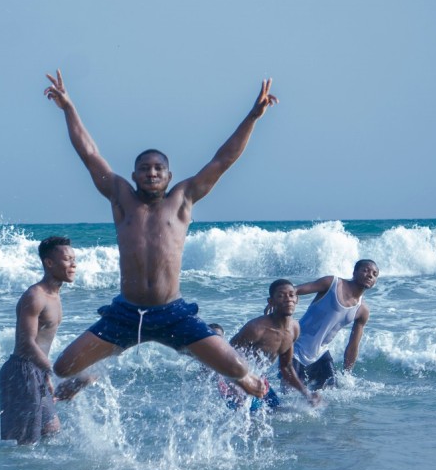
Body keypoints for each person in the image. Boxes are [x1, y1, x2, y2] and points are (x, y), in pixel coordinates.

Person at [44, 69, 278, 397]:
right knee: (63, 368)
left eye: (158, 168)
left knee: (240, 370)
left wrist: (253, 116)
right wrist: (69, 108)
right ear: (134, 175)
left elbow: (223, 159)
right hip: (126, 313)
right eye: (144, 168)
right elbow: (89, 154)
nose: (151, 172)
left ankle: (227, 364)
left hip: (173, 313)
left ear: (169, 176)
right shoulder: (121, 198)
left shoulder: (183, 199)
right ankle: (92, 374)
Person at [0, 236, 90, 445]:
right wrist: (55, 373)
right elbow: (27, 342)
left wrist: (45, 374)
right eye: (67, 259)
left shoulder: (55, 296)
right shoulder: (36, 296)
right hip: (21, 372)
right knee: (23, 444)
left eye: (74, 259)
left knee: (51, 430)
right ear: (49, 263)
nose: (74, 264)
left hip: (36, 370)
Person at [227, 279, 321, 411]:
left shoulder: (294, 328)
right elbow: (227, 356)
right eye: (281, 295)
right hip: (235, 380)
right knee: (252, 419)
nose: (288, 299)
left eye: (291, 295)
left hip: (257, 378)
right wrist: (240, 383)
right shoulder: (256, 329)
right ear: (271, 302)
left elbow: (286, 367)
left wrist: (307, 394)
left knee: (277, 411)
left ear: (297, 299)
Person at [292, 259, 379, 390]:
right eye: (365, 270)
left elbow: (353, 346)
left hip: (320, 354)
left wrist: (347, 374)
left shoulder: (362, 310)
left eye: (374, 274)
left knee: (331, 393)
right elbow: (295, 290)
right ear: (354, 272)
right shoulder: (332, 284)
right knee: (290, 396)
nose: (370, 275)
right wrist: (275, 302)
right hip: (295, 350)